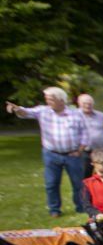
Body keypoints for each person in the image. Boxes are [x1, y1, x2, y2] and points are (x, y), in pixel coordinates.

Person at [6, 87, 89, 217]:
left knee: (78, 183)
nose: (48, 102)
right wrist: (17, 109)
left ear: (61, 100)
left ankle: (81, 207)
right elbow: (26, 112)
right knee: (51, 183)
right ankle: (54, 209)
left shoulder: (76, 114)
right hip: (51, 154)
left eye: (51, 99)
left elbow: (84, 133)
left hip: (73, 154)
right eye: (47, 99)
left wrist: (79, 150)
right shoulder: (43, 111)